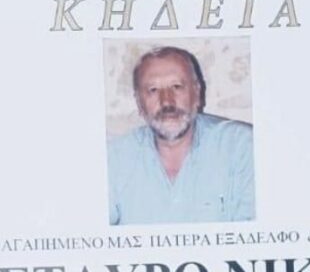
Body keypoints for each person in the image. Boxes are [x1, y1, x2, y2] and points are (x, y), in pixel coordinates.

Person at [108, 46, 255, 225]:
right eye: (153, 90)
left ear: (197, 93)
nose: (167, 101)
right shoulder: (115, 158)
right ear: (139, 103)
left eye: (177, 87)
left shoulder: (241, 148)